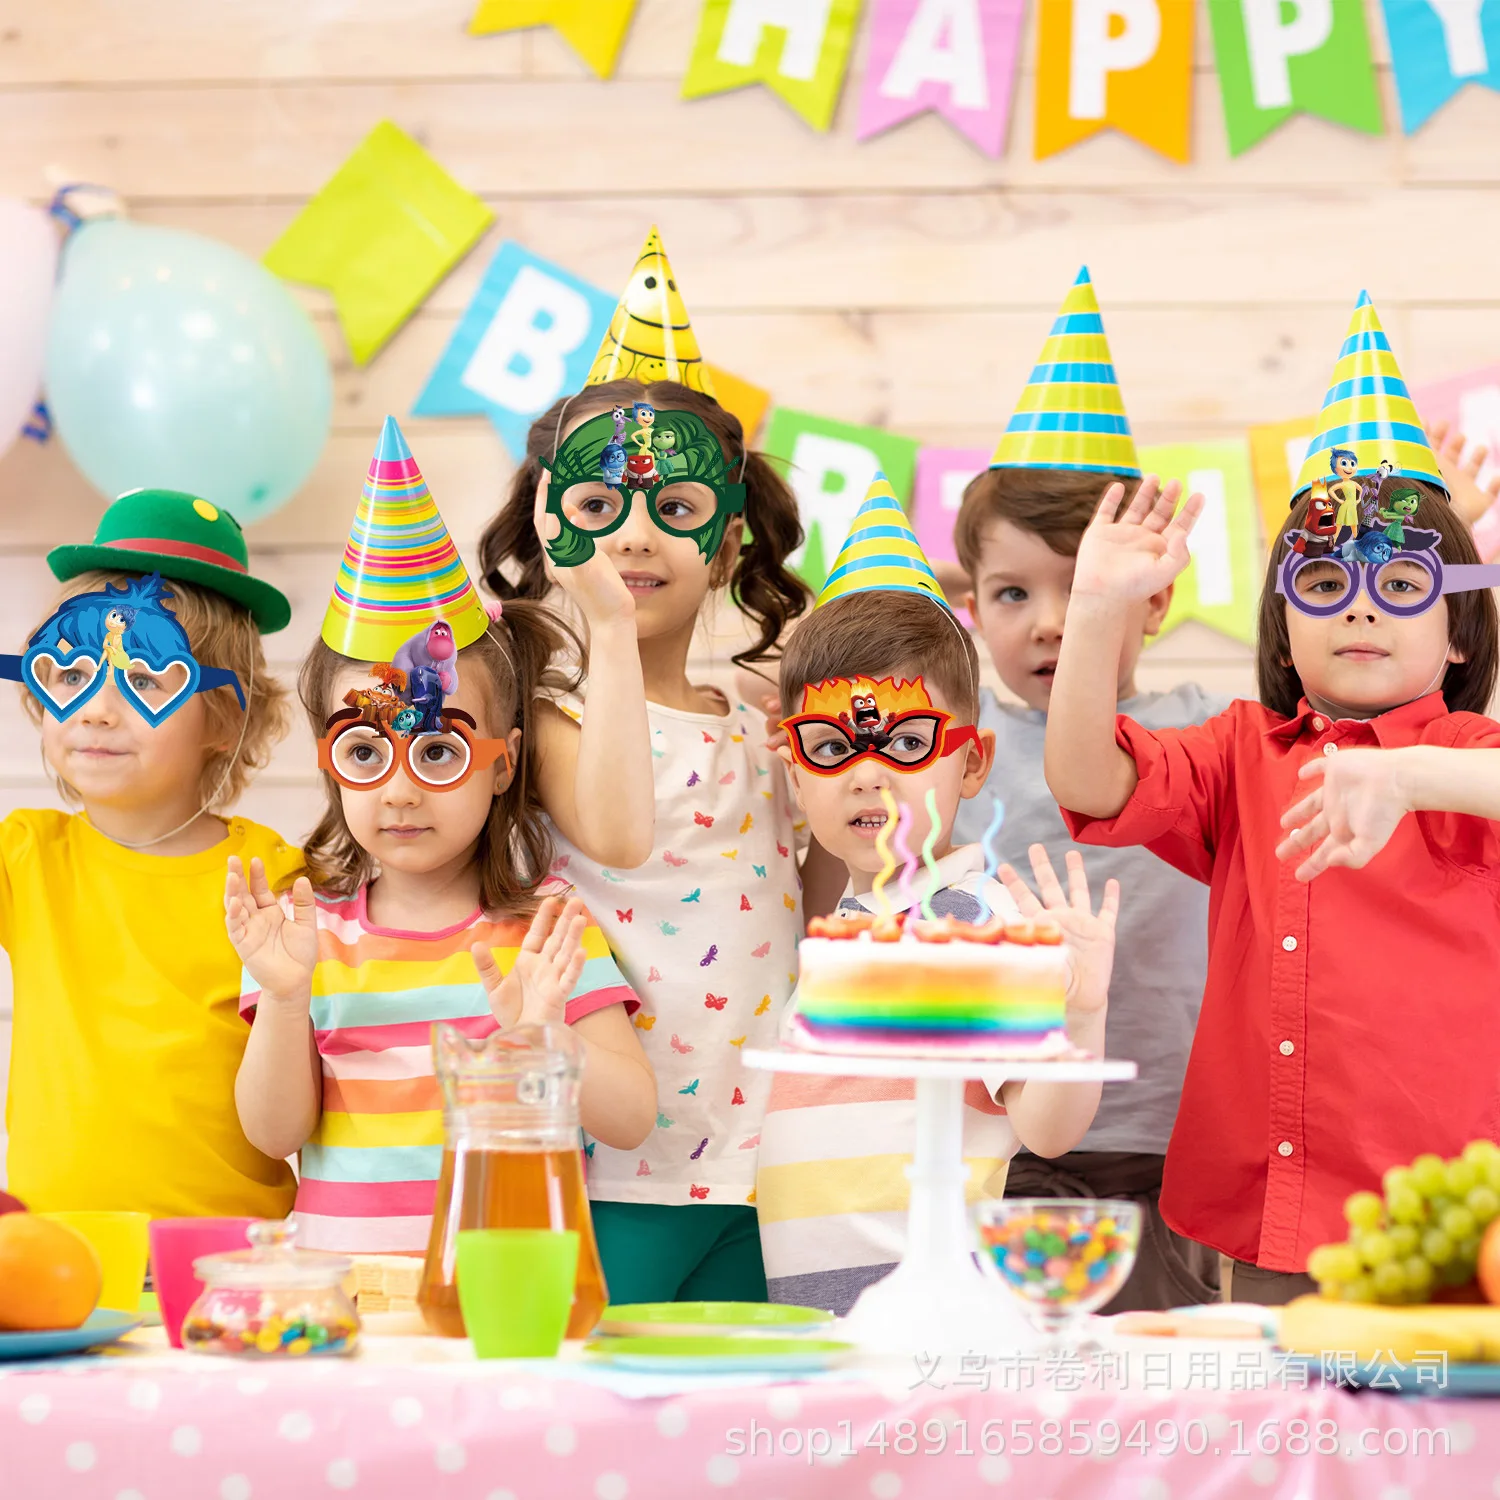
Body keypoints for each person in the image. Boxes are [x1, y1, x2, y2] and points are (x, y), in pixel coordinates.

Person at [1044, 293, 1500, 1305]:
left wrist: (1405, 773)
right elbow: (1086, 778)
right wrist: (1094, 608)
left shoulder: (1472, 758)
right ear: (1282, 620)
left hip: (1449, 1228)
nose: (1365, 605)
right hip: (1263, 1225)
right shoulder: (1240, 753)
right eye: (1326, 580)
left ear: (1461, 630)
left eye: (1406, 585)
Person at [476, 229, 834, 1303]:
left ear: (726, 546)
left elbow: (798, 904)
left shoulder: (744, 720)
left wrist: (845, 819)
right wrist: (612, 636)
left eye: (673, 512)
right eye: (595, 510)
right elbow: (621, 832)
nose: (634, 535)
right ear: (548, 536)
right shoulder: (547, 719)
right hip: (617, 1163)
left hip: (763, 1155)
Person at [229, 421, 655, 1254]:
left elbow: (634, 1118)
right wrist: (283, 999)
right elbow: (274, 1134)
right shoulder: (308, 936)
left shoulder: (547, 928)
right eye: (363, 751)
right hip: (346, 1296)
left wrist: (545, 1035)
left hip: (517, 1283)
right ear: (330, 764)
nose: (399, 787)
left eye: (438, 750)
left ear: (503, 765)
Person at [755, 480, 1119, 1315]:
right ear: (793, 767)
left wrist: (1083, 1018)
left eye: (910, 744)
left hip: (934, 1321)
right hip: (812, 1318)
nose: (870, 772)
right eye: (831, 746)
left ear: (974, 763)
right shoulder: (835, 934)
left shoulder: (976, 923)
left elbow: (1047, 1130)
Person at [947, 265, 1226, 1311]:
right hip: (1014, 1143)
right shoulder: (957, 754)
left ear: (1153, 603)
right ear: (972, 606)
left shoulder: (1205, 729)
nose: (1052, 623)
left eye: (1086, 588)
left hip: (1185, 1147)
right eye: (1015, 593)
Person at [1, 488, 302, 1218]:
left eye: (145, 679)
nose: (97, 708)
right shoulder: (26, 856)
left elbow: (301, 1104)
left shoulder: (274, 878)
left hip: (228, 1259)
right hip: (54, 1260)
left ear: (224, 717)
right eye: (69, 673)